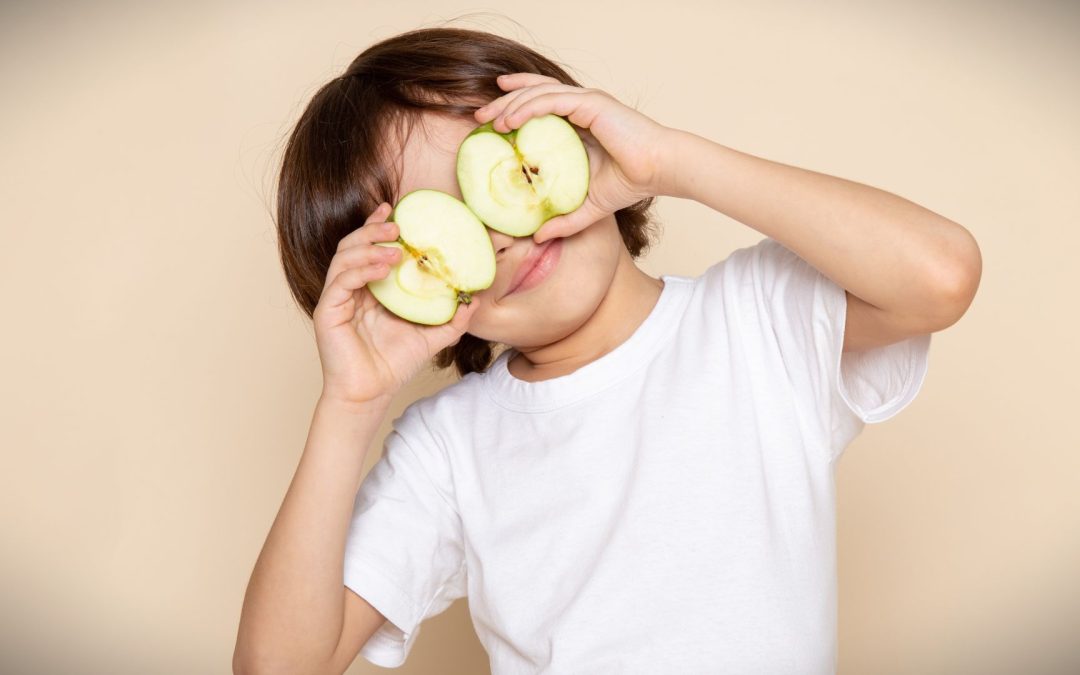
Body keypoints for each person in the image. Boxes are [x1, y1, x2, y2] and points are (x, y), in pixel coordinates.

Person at [233, 26, 981, 675]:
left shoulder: (752, 321)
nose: (497, 234)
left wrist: (670, 161)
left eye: (503, 170)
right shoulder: (448, 447)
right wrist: (349, 402)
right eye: (441, 236)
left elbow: (940, 275)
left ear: (569, 130)